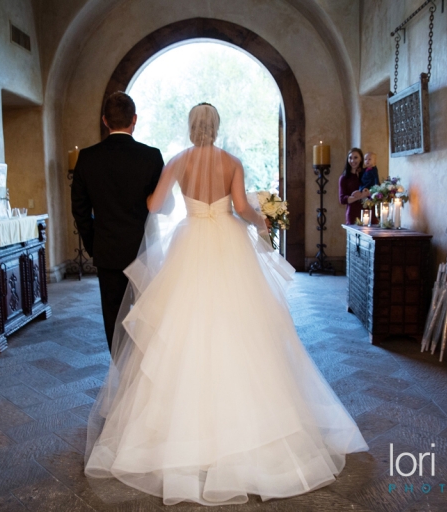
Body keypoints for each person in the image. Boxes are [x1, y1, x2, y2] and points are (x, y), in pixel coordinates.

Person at [84, 103, 368, 506]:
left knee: (183, 331)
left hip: (190, 241)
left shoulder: (179, 161)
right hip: (227, 245)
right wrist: (262, 219)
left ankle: (176, 434)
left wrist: (170, 200)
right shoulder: (232, 161)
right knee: (241, 327)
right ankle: (251, 430)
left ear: (190, 128)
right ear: (216, 128)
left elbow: (154, 207)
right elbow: (240, 208)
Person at [71, 91, 164, 352]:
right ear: (134, 119)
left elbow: (80, 210)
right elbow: (160, 205)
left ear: (104, 120)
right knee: (148, 314)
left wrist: (94, 245)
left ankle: (122, 378)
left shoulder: (87, 158)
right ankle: (146, 371)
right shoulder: (152, 156)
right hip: (143, 250)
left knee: (114, 320)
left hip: (108, 251)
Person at [338, 147, 368, 225]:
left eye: (355, 158)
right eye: (350, 158)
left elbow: (374, 189)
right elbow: (342, 199)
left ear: (361, 159)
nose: (352, 161)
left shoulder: (366, 174)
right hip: (353, 214)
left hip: (367, 213)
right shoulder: (344, 177)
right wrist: (361, 196)